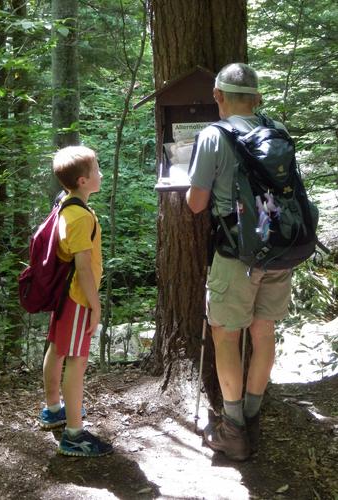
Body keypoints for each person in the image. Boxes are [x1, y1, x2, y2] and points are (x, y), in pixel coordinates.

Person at [186, 63, 292, 461]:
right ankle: (252, 415)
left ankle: (234, 429)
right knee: (264, 333)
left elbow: (197, 204)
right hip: (280, 246)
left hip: (237, 252)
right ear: (257, 98)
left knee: (226, 335)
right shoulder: (277, 130)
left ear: (218, 95)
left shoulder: (214, 135)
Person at [39, 145, 113, 458]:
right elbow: (82, 266)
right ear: (83, 181)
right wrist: (95, 306)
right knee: (77, 361)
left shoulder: (65, 203)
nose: (101, 174)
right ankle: (73, 434)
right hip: (77, 297)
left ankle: (54, 409)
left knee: (57, 348)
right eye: (96, 169)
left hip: (64, 295)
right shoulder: (80, 217)